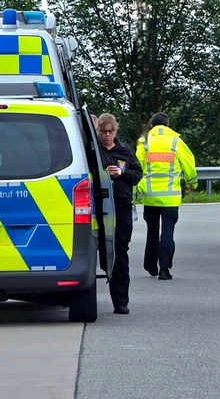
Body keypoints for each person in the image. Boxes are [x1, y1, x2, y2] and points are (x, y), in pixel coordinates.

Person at [136, 112, 197, 281]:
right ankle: (164, 269)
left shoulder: (145, 142)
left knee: (152, 231)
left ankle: (150, 266)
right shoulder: (176, 142)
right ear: (168, 126)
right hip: (170, 198)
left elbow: (137, 165)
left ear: (151, 126)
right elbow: (189, 164)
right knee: (168, 232)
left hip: (150, 197)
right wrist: (193, 182)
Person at [96, 113, 143, 314]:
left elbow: (137, 175)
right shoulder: (93, 151)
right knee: (101, 251)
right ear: (98, 131)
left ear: (116, 131)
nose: (107, 135)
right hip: (99, 205)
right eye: (104, 131)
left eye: (111, 131)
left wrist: (122, 173)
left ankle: (121, 301)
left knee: (120, 251)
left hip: (121, 206)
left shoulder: (125, 151)